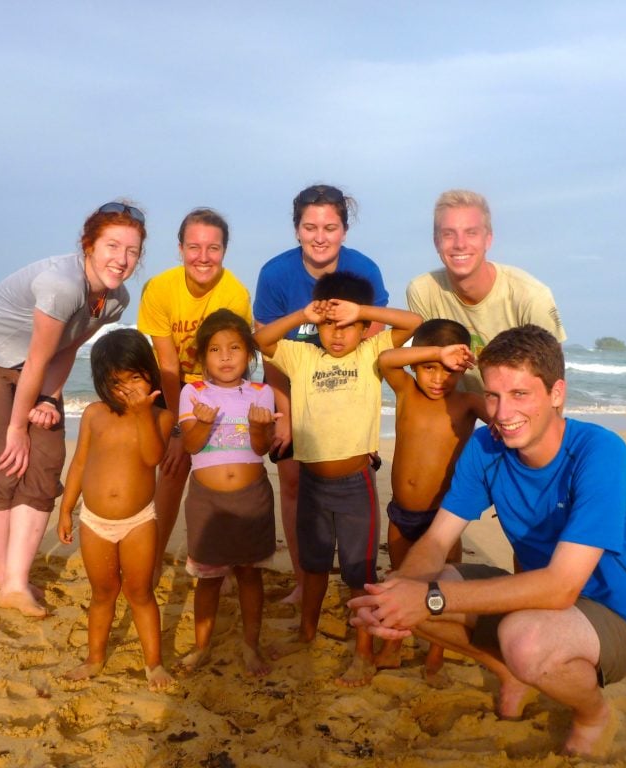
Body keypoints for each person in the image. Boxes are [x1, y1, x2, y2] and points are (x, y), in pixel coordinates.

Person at [349, 325, 626, 757]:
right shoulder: (487, 447)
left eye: (520, 394)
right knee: (404, 586)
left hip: (615, 617)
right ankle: (510, 671)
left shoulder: (600, 453)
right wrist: (397, 594)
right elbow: (438, 538)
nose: (501, 411)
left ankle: (593, 713)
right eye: (493, 395)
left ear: (556, 394)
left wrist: (431, 599)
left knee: (519, 636)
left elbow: (561, 587)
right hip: (537, 601)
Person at [0, 200, 147, 617]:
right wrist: (18, 427)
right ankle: (9, 581)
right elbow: (39, 358)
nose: (122, 259)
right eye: (112, 246)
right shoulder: (62, 284)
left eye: (132, 251)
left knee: (49, 457)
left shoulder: (115, 300)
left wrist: (49, 400)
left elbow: (66, 348)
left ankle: (15, 580)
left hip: (31, 367)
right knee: (7, 463)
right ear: (88, 244)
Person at [254, 271, 420, 687]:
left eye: (348, 326)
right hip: (312, 485)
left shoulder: (371, 352)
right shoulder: (303, 355)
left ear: (364, 328)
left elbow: (415, 323)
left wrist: (360, 310)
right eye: (329, 324)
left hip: (356, 486)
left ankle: (363, 653)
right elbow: (262, 342)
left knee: (357, 572)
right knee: (312, 566)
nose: (338, 334)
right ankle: (306, 632)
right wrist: (303, 314)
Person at [254, 184, 389, 604]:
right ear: (296, 230)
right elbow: (270, 352)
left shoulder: (364, 270)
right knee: (293, 482)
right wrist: (287, 414)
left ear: (344, 231)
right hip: (292, 390)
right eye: (310, 226)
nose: (319, 236)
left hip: (343, 400)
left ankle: (356, 582)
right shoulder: (275, 274)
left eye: (330, 227)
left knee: (352, 494)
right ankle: (303, 581)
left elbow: (375, 348)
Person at [137, 208, 252, 582]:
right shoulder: (160, 288)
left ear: (224, 250)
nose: (203, 257)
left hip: (219, 383)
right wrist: (176, 432)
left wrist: (196, 431)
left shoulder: (233, 294)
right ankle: (152, 559)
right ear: (180, 248)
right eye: (194, 247)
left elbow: (227, 364)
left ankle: (225, 556)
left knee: (217, 468)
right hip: (175, 383)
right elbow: (168, 364)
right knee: (171, 470)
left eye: (213, 248)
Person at [56, 328, 174, 690]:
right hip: (94, 522)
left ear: (149, 374)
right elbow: (78, 463)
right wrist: (66, 508)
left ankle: (153, 664)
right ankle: (95, 658)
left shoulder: (160, 418)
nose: (126, 389)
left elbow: (153, 457)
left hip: (139, 522)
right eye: (115, 381)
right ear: (102, 381)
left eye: (134, 378)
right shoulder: (94, 414)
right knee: (103, 593)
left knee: (140, 593)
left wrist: (141, 414)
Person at [372, 319, 488, 683]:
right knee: (398, 581)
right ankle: (393, 646)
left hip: (443, 519)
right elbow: (387, 358)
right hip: (401, 514)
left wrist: (477, 362)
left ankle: (435, 656)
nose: (438, 379)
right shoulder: (405, 390)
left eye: (448, 370)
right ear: (416, 364)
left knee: (442, 588)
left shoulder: (468, 403)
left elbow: (504, 419)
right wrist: (440, 352)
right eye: (429, 368)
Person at [175, 309, 278, 677]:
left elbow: (262, 448)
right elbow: (190, 445)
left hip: (252, 498)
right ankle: (202, 647)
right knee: (209, 577)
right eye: (216, 349)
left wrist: (260, 427)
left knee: (250, 574)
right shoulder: (193, 392)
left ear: (249, 354)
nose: (225, 356)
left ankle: (251, 646)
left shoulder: (262, 393)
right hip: (208, 500)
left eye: (234, 348)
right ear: (202, 357)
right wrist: (203, 421)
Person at [406, 189, 566, 393]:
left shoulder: (531, 296)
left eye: (471, 233)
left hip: (515, 412)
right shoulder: (423, 290)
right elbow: (424, 366)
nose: (460, 244)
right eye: (448, 234)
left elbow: (553, 382)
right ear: (436, 242)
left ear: (488, 239)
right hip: (458, 412)